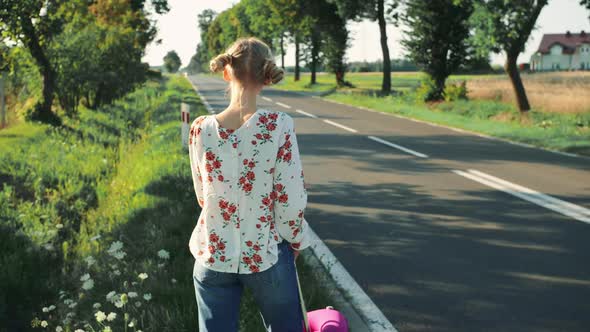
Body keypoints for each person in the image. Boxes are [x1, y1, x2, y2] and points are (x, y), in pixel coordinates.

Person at [187, 37, 313, 332]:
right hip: (266, 253)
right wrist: (295, 239)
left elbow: (203, 195)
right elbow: (291, 199)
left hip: (213, 252)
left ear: (226, 72)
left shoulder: (199, 128)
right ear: (267, 76)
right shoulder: (278, 125)